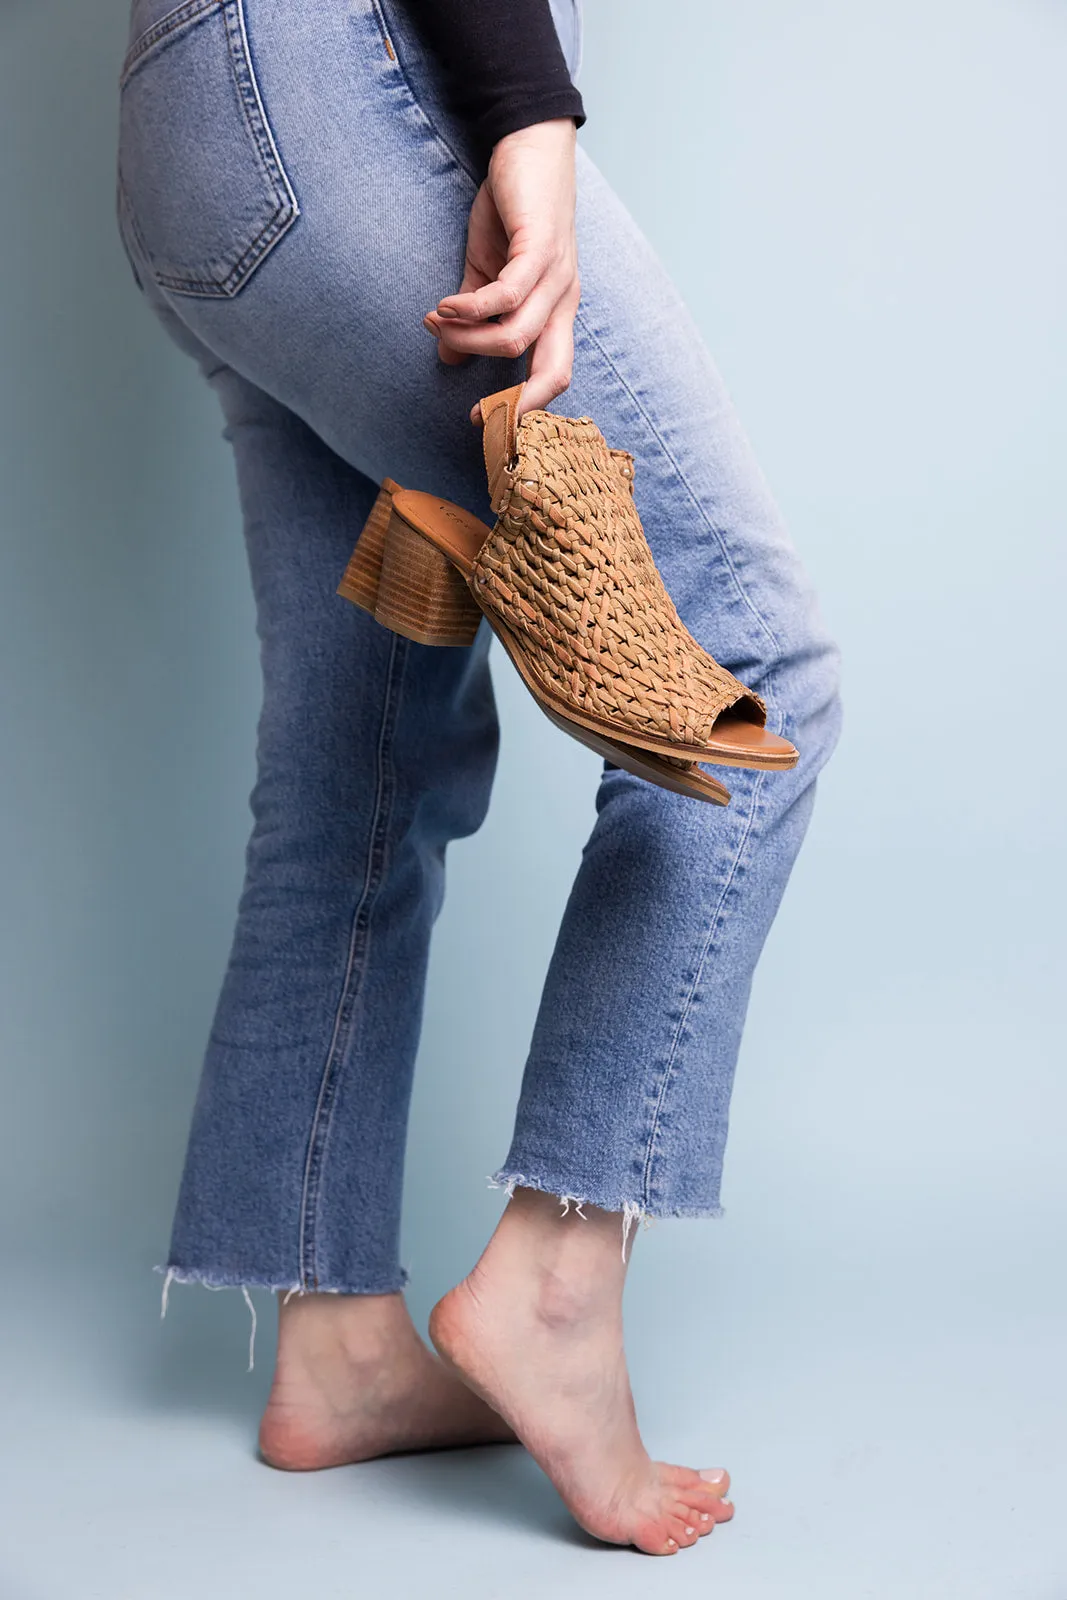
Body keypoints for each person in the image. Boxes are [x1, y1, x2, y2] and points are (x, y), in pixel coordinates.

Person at [117, 0, 840, 1557]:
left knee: (362, 754)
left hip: (191, 128)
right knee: (745, 676)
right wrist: (521, 109)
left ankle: (338, 1344)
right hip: (354, 89)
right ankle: (555, 1284)